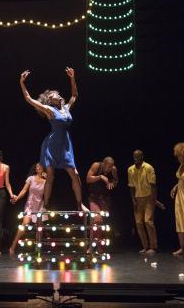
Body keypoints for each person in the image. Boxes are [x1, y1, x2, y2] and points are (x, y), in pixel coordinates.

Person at [19, 67, 84, 210]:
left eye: (58, 94)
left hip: (65, 144)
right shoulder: (50, 111)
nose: (58, 95)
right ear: (50, 100)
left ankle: (80, 204)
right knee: (50, 175)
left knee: (75, 174)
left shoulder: (66, 108)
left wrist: (72, 78)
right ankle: (46, 205)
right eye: (55, 95)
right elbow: (29, 99)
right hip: (52, 144)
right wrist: (22, 82)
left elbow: (74, 95)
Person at [9, 163, 47, 254]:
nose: (39, 167)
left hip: (40, 206)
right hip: (30, 205)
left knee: (39, 228)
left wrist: (48, 179)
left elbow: (48, 193)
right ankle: (14, 244)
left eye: (41, 166)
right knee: (25, 224)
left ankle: (38, 249)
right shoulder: (31, 178)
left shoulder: (46, 181)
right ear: (35, 169)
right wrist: (17, 198)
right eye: (37, 166)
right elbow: (24, 190)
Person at [128, 150, 159, 254]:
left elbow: (153, 185)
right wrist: (133, 200)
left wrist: (154, 200)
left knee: (148, 221)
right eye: (134, 157)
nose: (136, 159)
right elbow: (131, 186)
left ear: (142, 157)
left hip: (149, 197)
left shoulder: (148, 168)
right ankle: (145, 246)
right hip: (138, 198)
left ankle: (153, 246)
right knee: (138, 223)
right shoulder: (130, 169)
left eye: (138, 157)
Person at [86, 157, 118, 244]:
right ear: (103, 164)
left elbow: (116, 181)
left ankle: (99, 245)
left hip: (105, 199)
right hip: (94, 198)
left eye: (111, 167)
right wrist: (100, 177)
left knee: (102, 223)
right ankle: (92, 244)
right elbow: (88, 179)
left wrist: (112, 184)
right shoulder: (96, 165)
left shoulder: (113, 169)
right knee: (97, 220)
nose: (110, 169)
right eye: (108, 167)